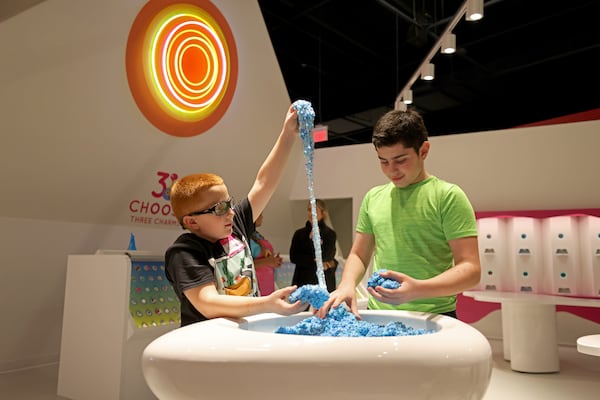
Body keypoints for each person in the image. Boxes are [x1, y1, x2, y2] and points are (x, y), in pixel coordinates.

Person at [317, 109, 480, 319]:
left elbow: (471, 269)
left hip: (434, 317)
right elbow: (359, 254)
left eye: (400, 159)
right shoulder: (373, 198)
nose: (391, 170)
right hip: (378, 316)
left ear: (424, 150)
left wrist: (417, 288)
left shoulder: (448, 196)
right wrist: (347, 284)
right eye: (383, 161)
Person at [165, 104, 307, 326]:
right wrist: (266, 304)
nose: (230, 212)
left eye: (229, 203)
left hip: (247, 337)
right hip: (210, 348)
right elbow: (207, 302)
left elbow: (264, 183)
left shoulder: (235, 227)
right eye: (219, 209)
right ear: (192, 222)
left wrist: (287, 134)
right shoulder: (184, 252)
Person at [290, 199, 338, 293]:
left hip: (324, 282)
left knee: (324, 306)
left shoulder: (330, 234)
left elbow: (327, 256)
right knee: (300, 307)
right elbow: (294, 257)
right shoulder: (299, 234)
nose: (311, 213)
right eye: (309, 209)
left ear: (322, 212)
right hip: (303, 281)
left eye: (314, 210)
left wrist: (315, 242)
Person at [249, 212, 282, 296]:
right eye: (260, 214)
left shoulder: (257, 235)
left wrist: (274, 261)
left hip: (268, 284)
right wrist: (268, 261)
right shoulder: (246, 238)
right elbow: (246, 264)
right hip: (257, 285)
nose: (262, 217)